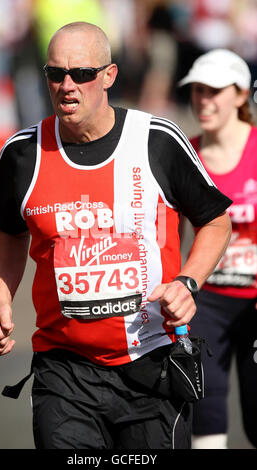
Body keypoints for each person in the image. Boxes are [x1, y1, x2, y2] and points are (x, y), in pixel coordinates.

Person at [0, 22, 232, 450]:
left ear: (109, 76)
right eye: (55, 74)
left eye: (81, 73)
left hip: (152, 362)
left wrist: (189, 282)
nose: (67, 86)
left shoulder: (156, 140)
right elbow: (8, 231)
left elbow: (216, 220)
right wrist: (0, 300)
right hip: (64, 370)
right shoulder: (23, 154)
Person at [179, 48, 257, 449]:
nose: (203, 100)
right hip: (205, 304)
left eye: (214, 90)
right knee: (205, 417)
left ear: (242, 95)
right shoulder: (182, 155)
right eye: (196, 90)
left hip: (255, 304)